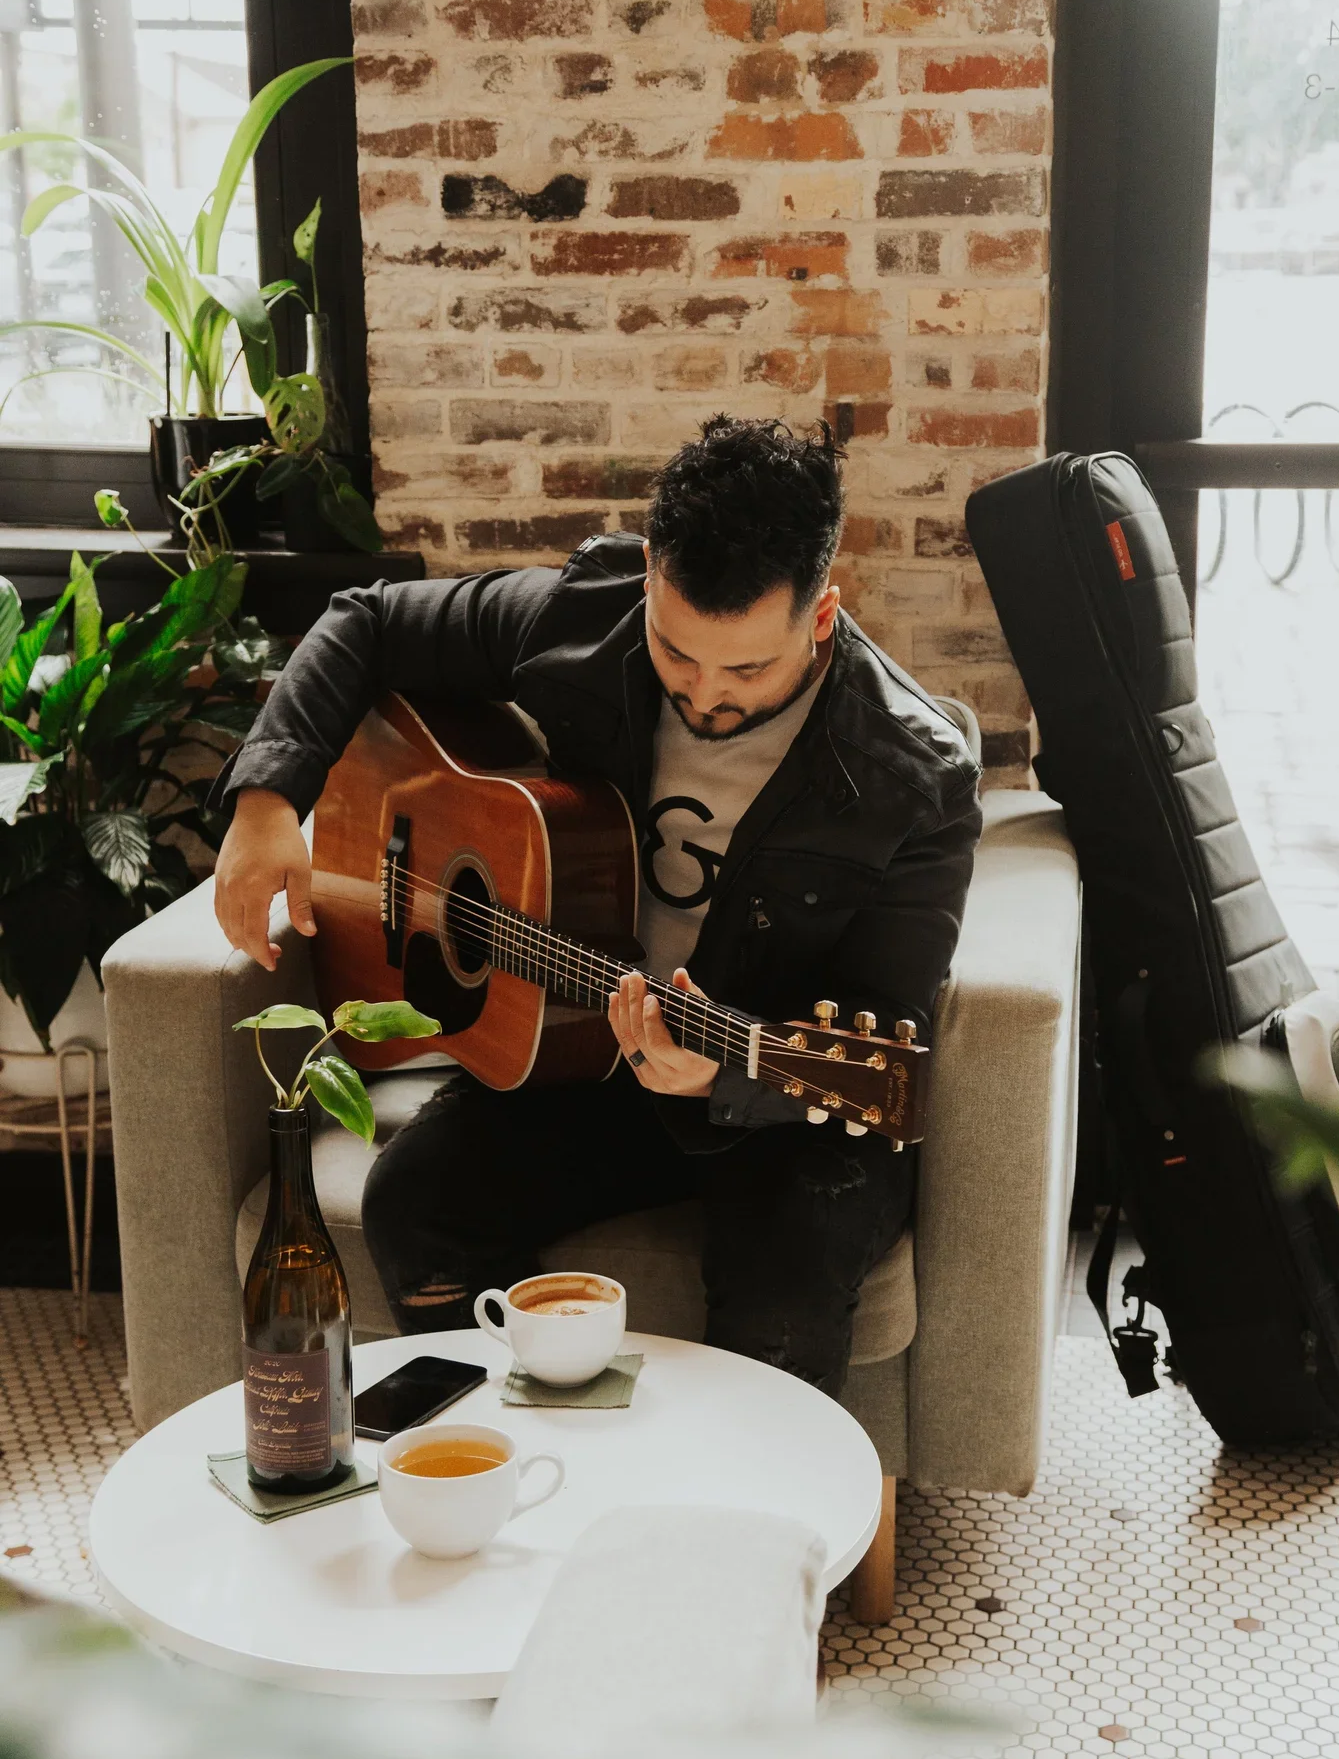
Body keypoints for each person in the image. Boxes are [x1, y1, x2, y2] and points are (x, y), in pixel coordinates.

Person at [213, 417, 981, 1395]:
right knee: (414, 1204)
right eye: (676, 651)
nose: (705, 694)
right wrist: (267, 801)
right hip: (582, 1057)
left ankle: (738, 1536)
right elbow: (364, 621)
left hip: (777, 1097)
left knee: (785, 1282)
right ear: (653, 574)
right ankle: (515, 1460)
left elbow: (897, 1040)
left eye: (747, 669)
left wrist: (718, 1075)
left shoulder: (916, 776)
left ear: (822, 618)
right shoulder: (593, 611)